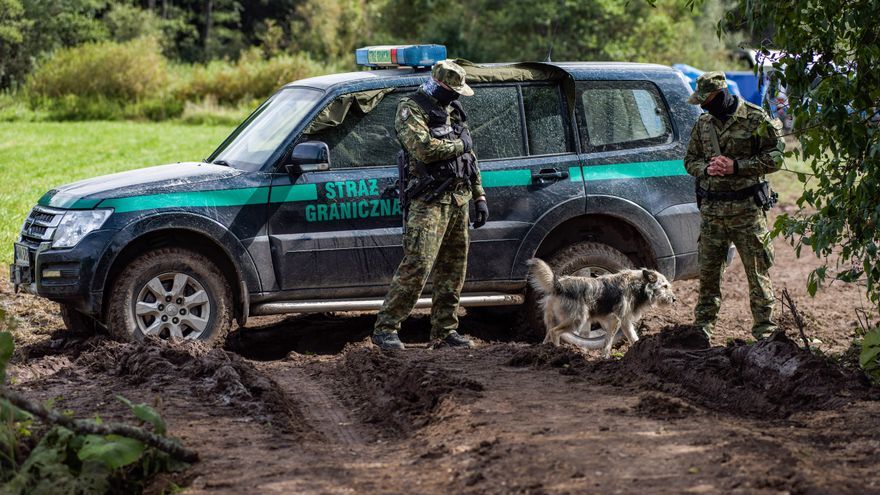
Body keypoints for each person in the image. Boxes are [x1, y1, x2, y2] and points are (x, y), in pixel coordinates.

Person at [372, 60, 489, 350]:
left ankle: (445, 331)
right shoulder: (410, 108)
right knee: (418, 265)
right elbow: (423, 149)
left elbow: (469, 161)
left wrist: (479, 195)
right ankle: (386, 329)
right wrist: (460, 145)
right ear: (440, 86)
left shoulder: (453, 111)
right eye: (454, 90)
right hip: (428, 202)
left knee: (453, 269)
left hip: (458, 199)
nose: (458, 96)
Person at [684, 71, 785, 340]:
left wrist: (737, 167)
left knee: (757, 273)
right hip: (712, 211)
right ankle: (702, 331)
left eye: (707, 100)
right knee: (708, 276)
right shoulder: (704, 124)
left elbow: (775, 158)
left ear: (721, 94)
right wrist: (706, 169)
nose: (704, 106)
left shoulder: (755, 118)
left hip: (746, 210)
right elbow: (689, 160)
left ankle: (765, 332)